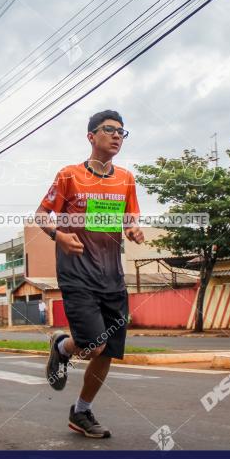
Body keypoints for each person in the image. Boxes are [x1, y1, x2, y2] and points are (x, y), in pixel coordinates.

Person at [37, 110, 143, 439]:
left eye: (121, 132)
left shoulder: (126, 178)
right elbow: (42, 215)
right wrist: (60, 236)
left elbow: (130, 219)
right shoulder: (69, 175)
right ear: (91, 136)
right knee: (95, 346)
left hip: (111, 276)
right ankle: (65, 348)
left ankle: (81, 412)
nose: (116, 136)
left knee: (108, 351)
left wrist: (134, 230)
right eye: (109, 130)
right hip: (77, 274)